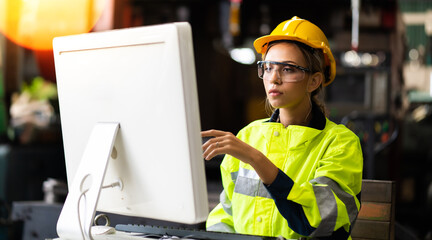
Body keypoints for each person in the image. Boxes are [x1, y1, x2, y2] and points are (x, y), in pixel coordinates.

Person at [202, 16, 363, 239]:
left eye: (288, 69)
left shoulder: (340, 144)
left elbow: (315, 222)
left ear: (314, 81)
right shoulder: (247, 135)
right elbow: (225, 215)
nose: (274, 79)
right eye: (268, 68)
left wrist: (255, 158)